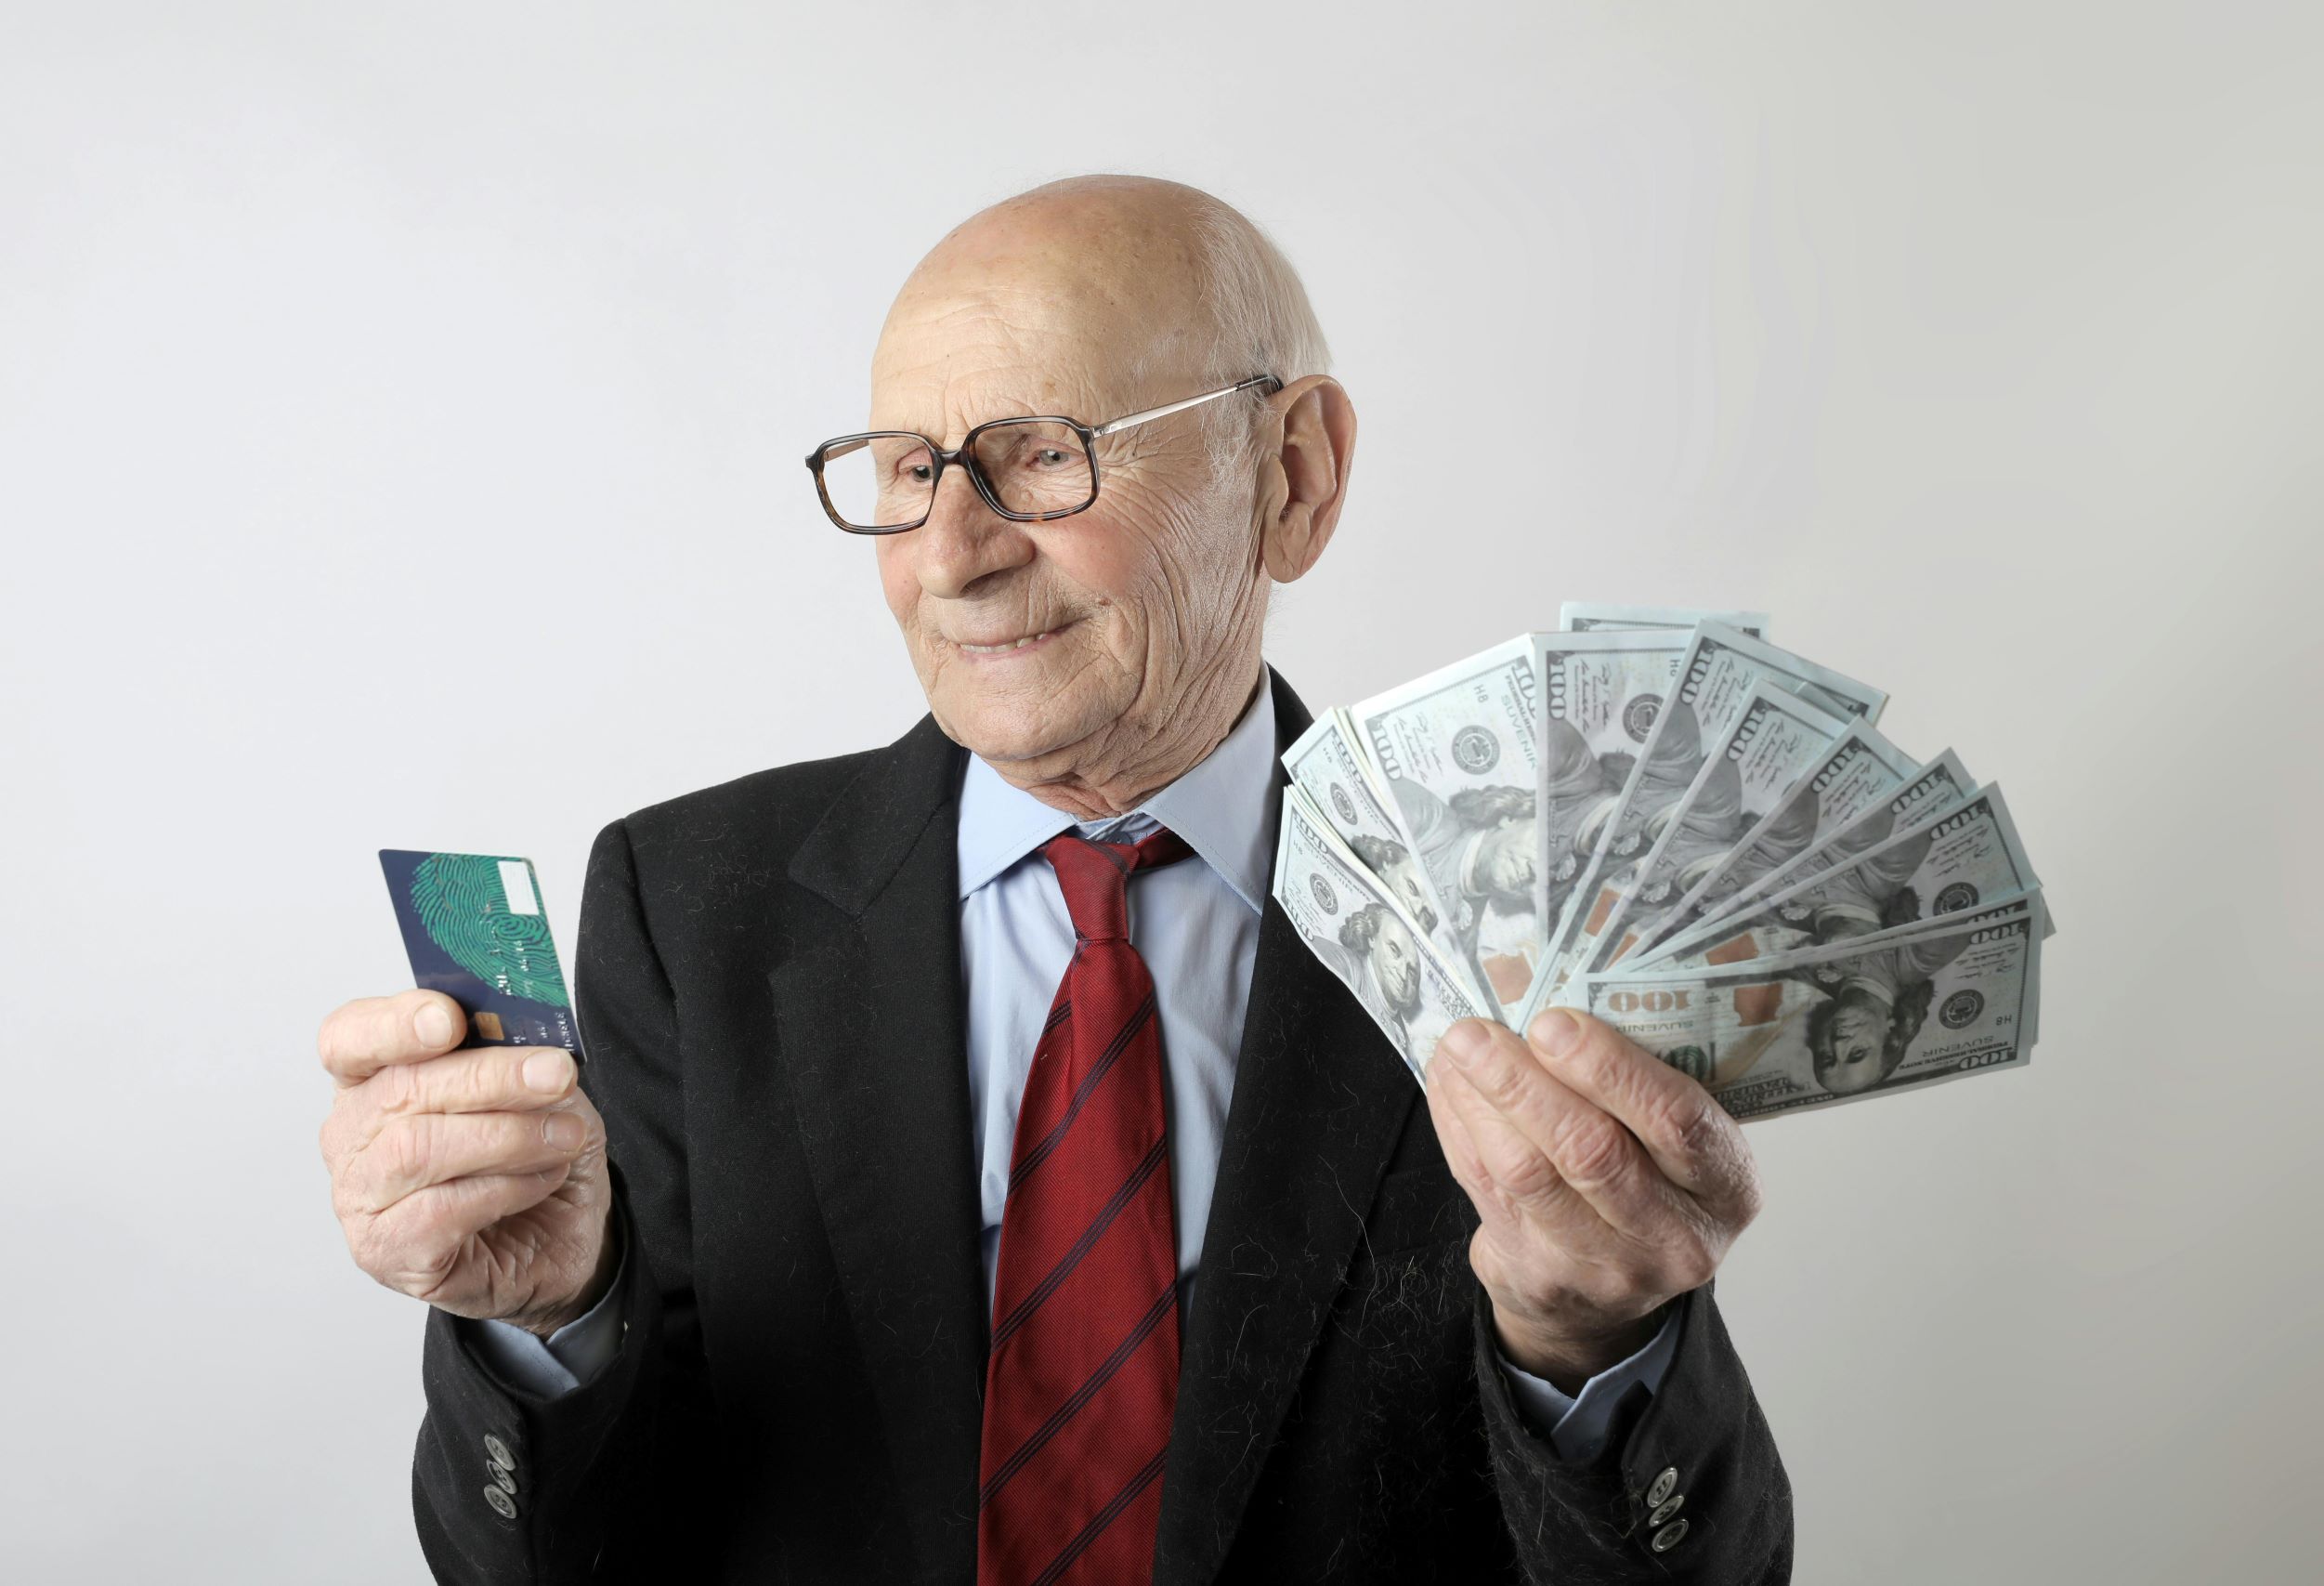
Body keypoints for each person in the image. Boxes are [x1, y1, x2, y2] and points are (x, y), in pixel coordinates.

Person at [316, 174, 1788, 1583]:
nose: (950, 556)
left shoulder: (1537, 920)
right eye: (905, 470)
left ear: (1293, 475)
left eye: (1041, 451)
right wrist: (550, 1324)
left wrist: (1595, 1344)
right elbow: (577, 1563)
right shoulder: (688, 904)